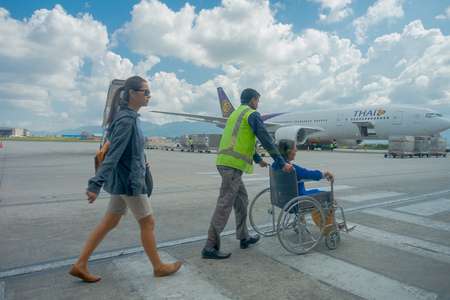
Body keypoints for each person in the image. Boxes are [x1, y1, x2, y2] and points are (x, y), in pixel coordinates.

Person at [69, 76, 181, 283]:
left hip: (124, 179)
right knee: (148, 223)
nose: (149, 95)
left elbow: (130, 149)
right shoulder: (127, 120)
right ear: (132, 93)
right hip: (130, 182)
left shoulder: (128, 117)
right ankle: (158, 267)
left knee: (108, 223)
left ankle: (80, 265)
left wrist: (142, 160)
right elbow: (113, 154)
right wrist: (95, 184)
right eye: (145, 91)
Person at [201, 88, 295, 260]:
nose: (258, 104)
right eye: (258, 101)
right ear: (253, 100)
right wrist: (282, 163)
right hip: (231, 167)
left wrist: (258, 159)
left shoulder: (236, 114)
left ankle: (243, 237)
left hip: (226, 163)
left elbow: (242, 141)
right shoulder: (251, 114)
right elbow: (265, 138)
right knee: (224, 205)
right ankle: (210, 246)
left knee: (242, 200)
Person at [272, 139, 342, 235]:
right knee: (329, 199)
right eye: (295, 150)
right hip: (300, 199)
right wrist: (326, 172)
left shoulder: (275, 165)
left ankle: (325, 224)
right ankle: (329, 229)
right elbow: (313, 175)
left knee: (317, 192)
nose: (296, 152)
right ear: (289, 152)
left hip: (284, 200)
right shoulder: (293, 169)